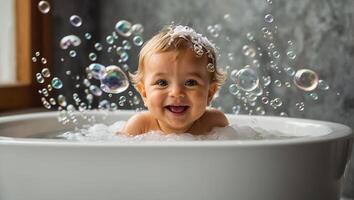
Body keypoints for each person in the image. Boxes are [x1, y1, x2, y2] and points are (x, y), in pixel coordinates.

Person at [121, 25, 228, 136]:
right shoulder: (139, 127)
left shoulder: (214, 123)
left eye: (190, 82)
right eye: (162, 83)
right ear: (144, 93)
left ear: (210, 93)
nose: (176, 92)